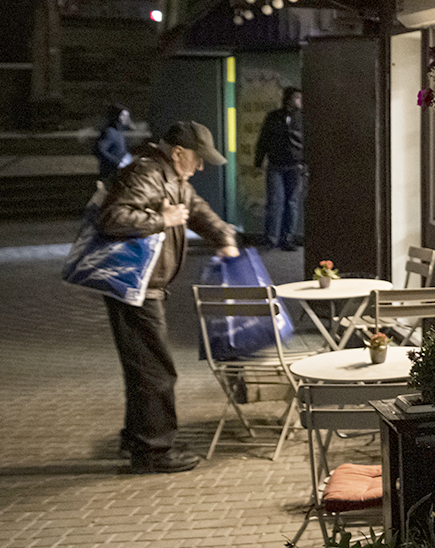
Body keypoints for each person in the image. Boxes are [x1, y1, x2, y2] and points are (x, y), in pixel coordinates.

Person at [97, 120, 241, 473]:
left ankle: (139, 438)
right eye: (198, 158)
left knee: (144, 368)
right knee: (156, 370)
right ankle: (154, 451)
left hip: (144, 286)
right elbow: (113, 217)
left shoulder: (171, 177)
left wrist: (223, 236)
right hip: (135, 287)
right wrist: (161, 219)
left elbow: (196, 210)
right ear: (178, 153)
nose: (202, 166)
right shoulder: (147, 173)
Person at [254, 86, 305, 250]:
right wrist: (258, 161)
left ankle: (287, 239)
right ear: (288, 99)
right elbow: (264, 139)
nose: (299, 101)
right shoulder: (273, 117)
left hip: (296, 165)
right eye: (297, 97)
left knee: (292, 203)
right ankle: (271, 239)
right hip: (276, 164)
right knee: (275, 202)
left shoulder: (303, 118)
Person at [92, 104, 134, 176]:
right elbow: (99, 150)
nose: (126, 118)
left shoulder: (119, 132)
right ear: (116, 116)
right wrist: (117, 163)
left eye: (127, 116)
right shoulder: (110, 132)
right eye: (123, 116)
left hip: (119, 172)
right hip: (110, 173)